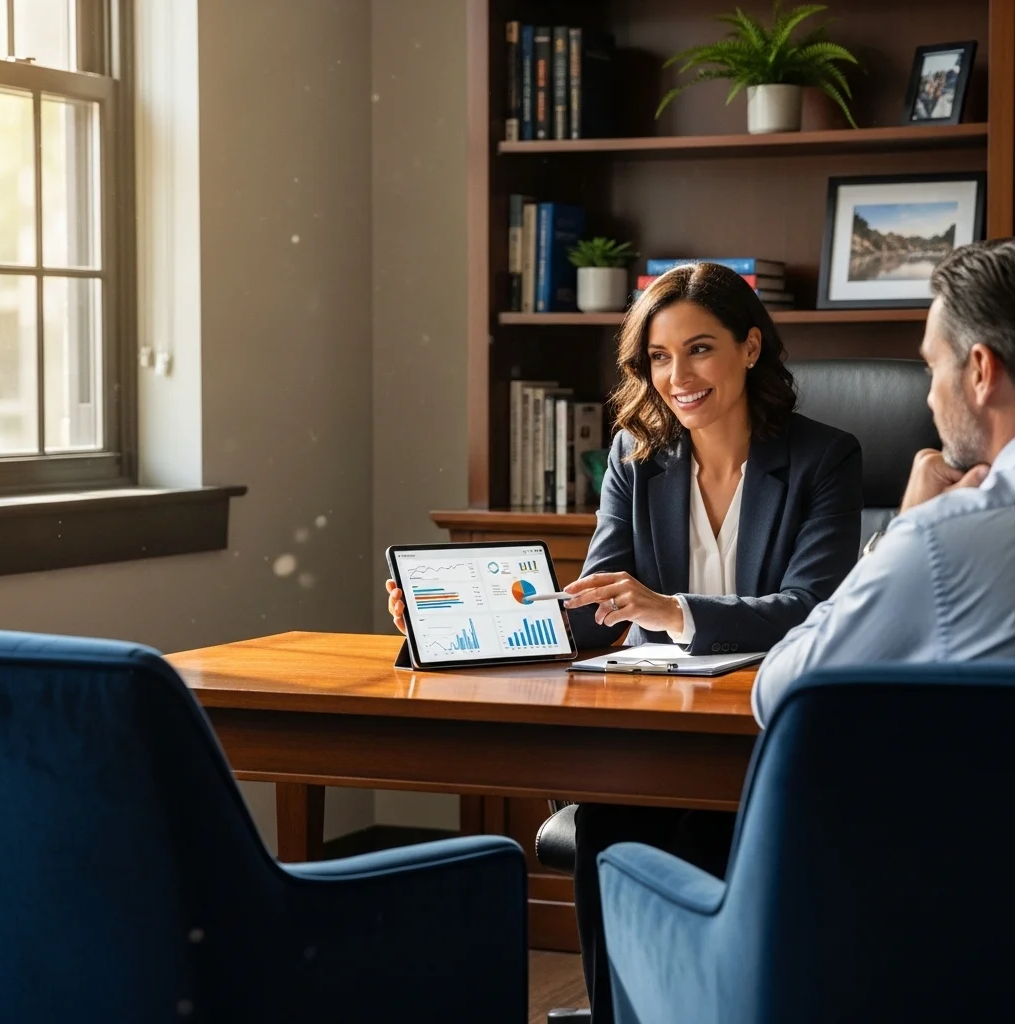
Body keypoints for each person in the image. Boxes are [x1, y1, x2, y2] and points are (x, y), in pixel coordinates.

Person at [386, 262, 863, 1024]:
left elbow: (813, 609)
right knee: (612, 815)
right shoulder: (636, 458)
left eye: (700, 349)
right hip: (655, 724)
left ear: (750, 347)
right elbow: (596, 606)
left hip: (766, 729)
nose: (679, 376)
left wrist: (673, 610)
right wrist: (445, 624)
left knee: (703, 827)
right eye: (659, 357)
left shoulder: (824, 458)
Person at [753, 238, 1015, 727]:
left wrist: (900, 533)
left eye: (932, 366)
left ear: (980, 370)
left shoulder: (940, 538)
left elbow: (780, 693)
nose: (930, 396)